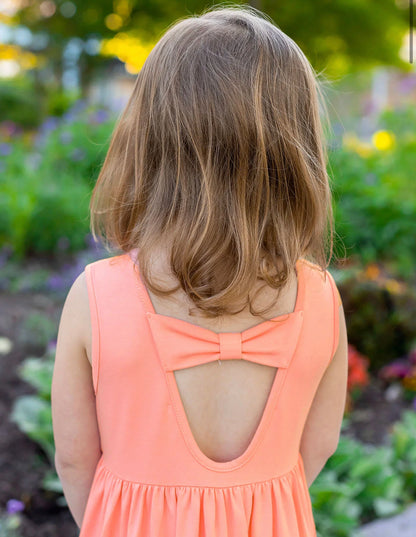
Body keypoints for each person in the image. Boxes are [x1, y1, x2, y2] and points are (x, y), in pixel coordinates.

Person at [51, 4, 348, 536]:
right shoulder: (321, 296)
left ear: (148, 138)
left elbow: (74, 460)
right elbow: (319, 445)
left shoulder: (96, 295)